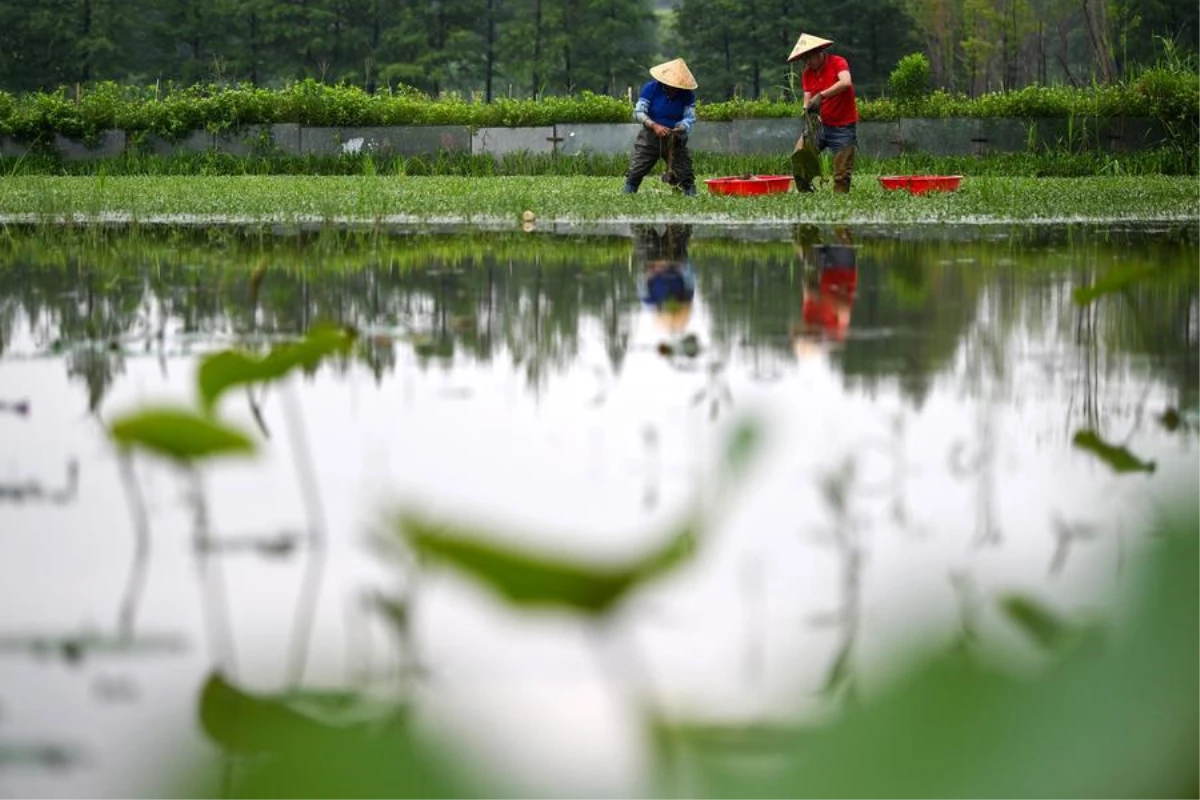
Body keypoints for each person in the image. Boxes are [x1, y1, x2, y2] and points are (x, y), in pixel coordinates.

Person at [787, 34, 858, 194]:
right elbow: (807, 98)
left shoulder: (838, 62)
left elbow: (846, 82)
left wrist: (821, 95)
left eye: (809, 58)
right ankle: (806, 194)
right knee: (800, 158)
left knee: (841, 174)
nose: (808, 63)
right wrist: (807, 109)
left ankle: (840, 201)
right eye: (804, 60)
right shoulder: (808, 73)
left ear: (819, 53)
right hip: (819, 125)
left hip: (843, 126)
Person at [624, 59, 698, 196]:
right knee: (636, 170)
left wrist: (681, 126)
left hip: (675, 137)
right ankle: (628, 194)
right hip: (650, 135)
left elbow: (690, 117)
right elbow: (639, 112)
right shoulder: (651, 88)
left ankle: (691, 196)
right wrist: (654, 125)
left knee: (685, 172)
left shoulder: (687, 95)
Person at [633, 224, 696, 337]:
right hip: (675, 259)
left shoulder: (650, 300)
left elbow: (641, 280)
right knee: (680, 235)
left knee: (642, 237)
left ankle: (640, 223)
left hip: (651, 262)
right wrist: (675, 266)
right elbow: (688, 273)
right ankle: (680, 222)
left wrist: (652, 270)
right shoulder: (686, 296)